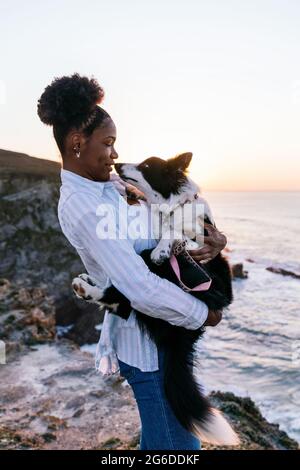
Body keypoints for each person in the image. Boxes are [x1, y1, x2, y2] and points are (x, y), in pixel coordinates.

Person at [37, 73, 226, 450]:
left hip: (163, 334)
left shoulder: (113, 187)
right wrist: (205, 315)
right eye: (108, 144)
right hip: (146, 346)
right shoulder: (84, 206)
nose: (115, 154)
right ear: (77, 143)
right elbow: (138, 287)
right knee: (177, 449)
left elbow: (170, 222)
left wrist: (215, 237)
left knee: (167, 443)